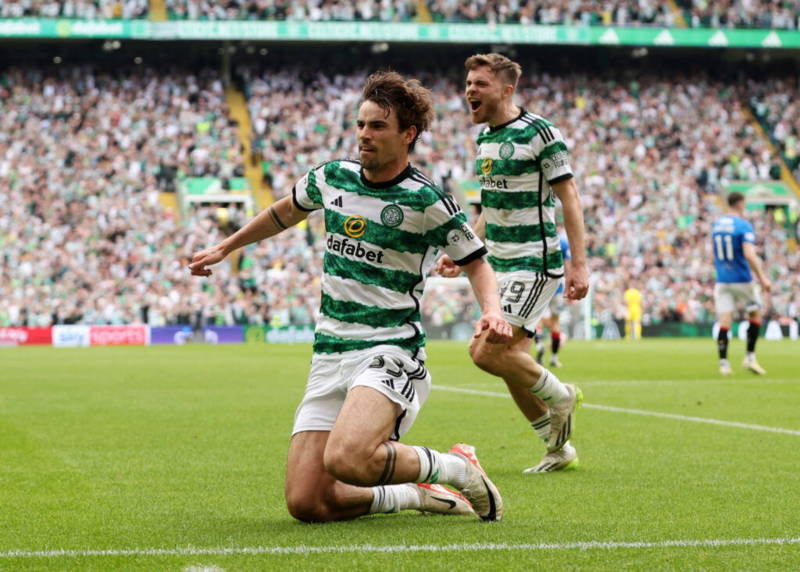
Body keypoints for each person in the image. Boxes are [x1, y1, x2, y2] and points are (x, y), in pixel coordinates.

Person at [190, 71, 512, 523]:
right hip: (330, 352)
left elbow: (477, 262)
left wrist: (492, 311)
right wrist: (227, 246)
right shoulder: (333, 177)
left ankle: (458, 467)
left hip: (389, 349)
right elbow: (285, 211)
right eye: (361, 124)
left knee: (348, 458)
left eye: (378, 126)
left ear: (408, 134)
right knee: (308, 503)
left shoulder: (426, 201)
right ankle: (417, 495)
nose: (364, 134)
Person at [437, 53, 588, 474]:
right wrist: (464, 252)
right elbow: (490, 208)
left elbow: (570, 197)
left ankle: (562, 395)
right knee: (510, 360)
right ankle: (557, 448)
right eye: (468, 83)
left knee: (486, 352)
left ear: (507, 90)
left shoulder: (540, 132)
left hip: (533, 261)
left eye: (480, 84)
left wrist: (579, 264)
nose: (470, 90)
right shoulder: (485, 139)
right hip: (498, 265)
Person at [712, 192, 772, 375]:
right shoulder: (743, 225)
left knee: (724, 321)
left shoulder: (717, 225)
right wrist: (762, 277)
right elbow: (749, 254)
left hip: (722, 279)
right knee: (755, 314)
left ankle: (724, 364)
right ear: (739, 204)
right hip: (741, 278)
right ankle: (750, 357)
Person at [535, 233, 571, 367]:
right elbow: (567, 264)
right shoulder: (563, 241)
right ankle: (554, 358)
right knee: (555, 322)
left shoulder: (536, 238)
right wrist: (569, 284)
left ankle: (539, 344)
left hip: (540, 285)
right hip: (558, 286)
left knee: (538, 320)